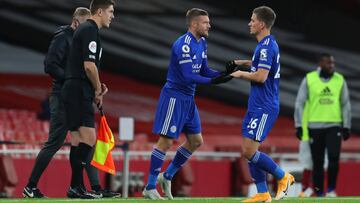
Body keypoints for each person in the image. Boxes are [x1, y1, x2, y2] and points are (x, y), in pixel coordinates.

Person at [142, 8, 233, 200]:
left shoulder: (202, 43)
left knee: (196, 141)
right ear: (194, 24)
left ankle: (167, 176)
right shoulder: (183, 44)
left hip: (188, 99)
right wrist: (213, 82)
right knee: (165, 141)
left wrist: (225, 74)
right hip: (174, 97)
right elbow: (188, 75)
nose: (209, 25)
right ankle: (149, 187)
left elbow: (204, 70)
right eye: (205, 23)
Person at [23, 7, 95, 198]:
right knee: (55, 141)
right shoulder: (63, 37)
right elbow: (50, 65)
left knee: (82, 139)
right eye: (86, 24)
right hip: (61, 95)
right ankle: (30, 186)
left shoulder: (78, 39)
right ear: (76, 22)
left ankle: (82, 187)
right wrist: (71, 79)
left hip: (73, 95)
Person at [229, 6, 294, 202]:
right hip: (256, 104)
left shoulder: (266, 46)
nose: (249, 23)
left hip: (264, 106)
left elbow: (261, 76)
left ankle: (283, 176)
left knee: (249, 151)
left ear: (262, 24)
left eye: (252, 20)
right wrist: (243, 62)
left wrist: (239, 73)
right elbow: (260, 64)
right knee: (250, 151)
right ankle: (263, 193)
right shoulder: (265, 45)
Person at [61, 0, 115, 198]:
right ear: (99, 12)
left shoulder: (85, 30)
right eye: (110, 11)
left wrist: (96, 85)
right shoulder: (90, 30)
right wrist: (97, 88)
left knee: (77, 140)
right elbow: (89, 67)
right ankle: (76, 187)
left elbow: (88, 67)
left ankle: (77, 187)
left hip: (74, 88)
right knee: (89, 138)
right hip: (78, 89)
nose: (112, 16)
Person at [294, 53, 351, 197]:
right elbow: (299, 103)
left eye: (332, 63)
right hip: (315, 126)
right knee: (317, 162)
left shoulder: (340, 80)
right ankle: (319, 193)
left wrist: (347, 125)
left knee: (333, 158)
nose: (331, 66)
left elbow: (345, 105)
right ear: (320, 64)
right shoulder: (309, 79)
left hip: (334, 125)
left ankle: (331, 190)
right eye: (328, 63)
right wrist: (299, 125)